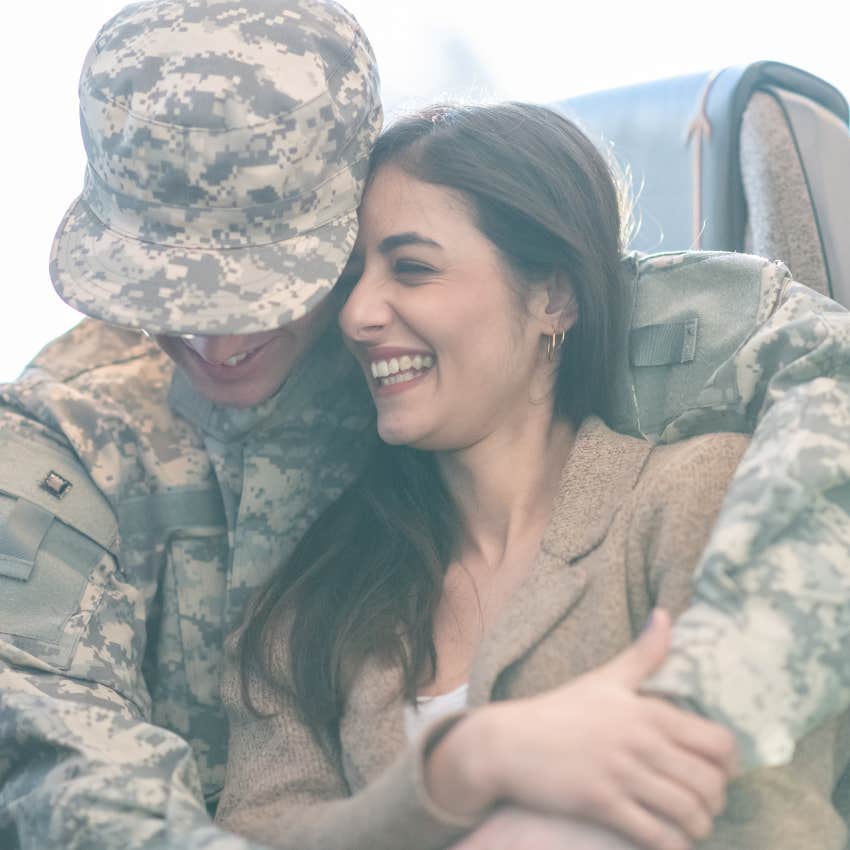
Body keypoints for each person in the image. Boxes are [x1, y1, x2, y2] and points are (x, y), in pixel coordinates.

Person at [1, 2, 849, 849]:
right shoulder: (87, 455)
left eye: (264, 280)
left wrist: (702, 704)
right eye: (162, 288)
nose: (212, 332)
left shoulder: (682, 465)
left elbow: (814, 369)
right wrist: (458, 771)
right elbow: (74, 786)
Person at [214, 103, 849, 850]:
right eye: (352, 277)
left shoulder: (695, 501)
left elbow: (767, 826)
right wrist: (464, 768)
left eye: (411, 268)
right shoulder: (309, 603)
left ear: (555, 298)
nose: (356, 313)